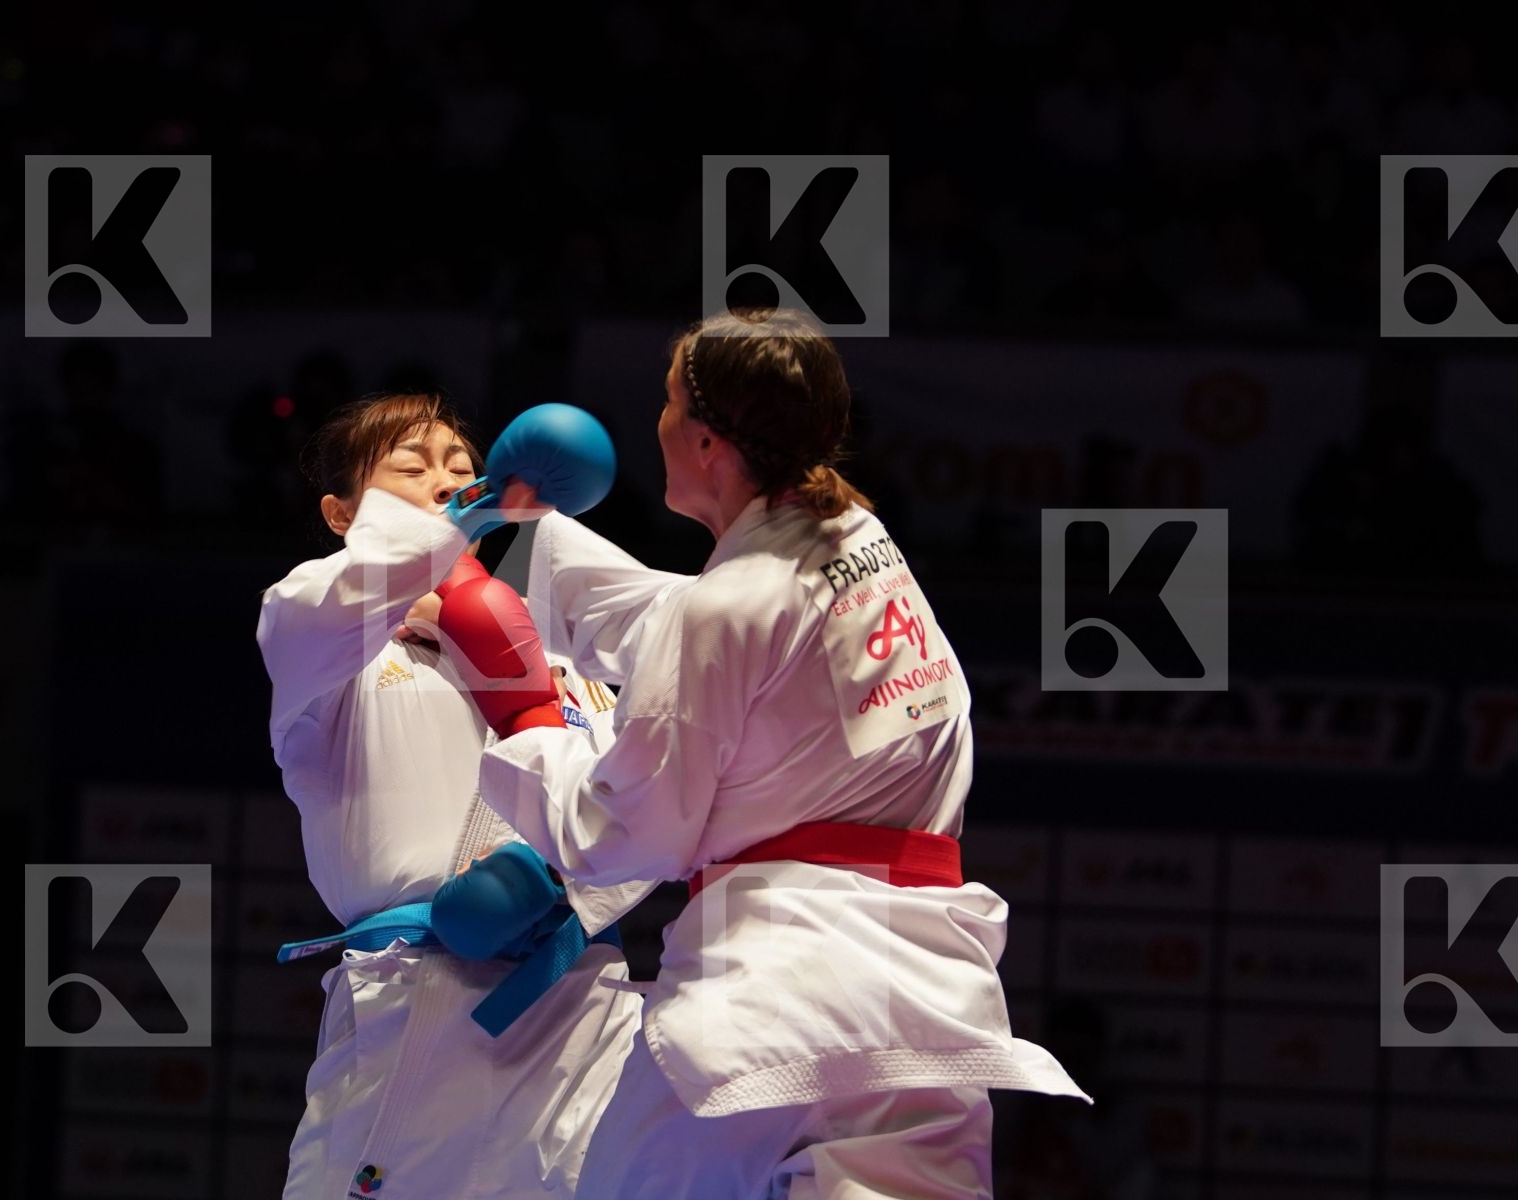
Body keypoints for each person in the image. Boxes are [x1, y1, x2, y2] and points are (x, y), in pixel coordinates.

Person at [440, 310, 1091, 1199]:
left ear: (706, 440)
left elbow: (629, 839)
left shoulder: (735, 604)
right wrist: (509, 541)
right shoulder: (858, 542)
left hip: (779, 1000)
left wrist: (522, 716)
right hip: (927, 1010)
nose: (657, 424)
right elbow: (707, 636)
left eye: (669, 405)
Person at [254, 391, 651, 1200]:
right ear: (341, 513)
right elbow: (338, 596)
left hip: (576, 1008)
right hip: (415, 999)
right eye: (412, 466)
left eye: (466, 469)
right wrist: (458, 540)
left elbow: (653, 801)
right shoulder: (326, 647)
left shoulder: (572, 665)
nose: (447, 480)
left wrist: (563, 888)